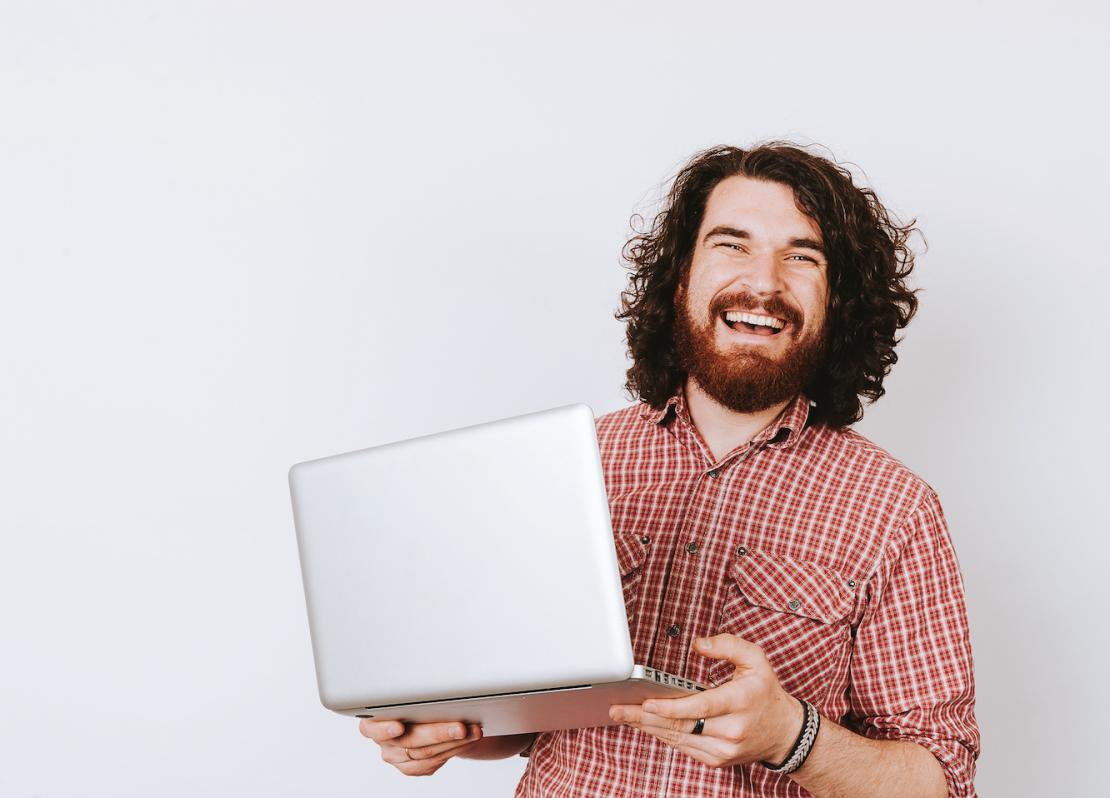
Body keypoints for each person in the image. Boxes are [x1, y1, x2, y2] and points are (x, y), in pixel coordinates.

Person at [358, 141, 981, 797]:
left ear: (839, 301)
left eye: (802, 256)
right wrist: (450, 730)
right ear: (681, 275)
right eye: (732, 245)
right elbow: (528, 719)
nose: (765, 282)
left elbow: (943, 780)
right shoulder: (574, 464)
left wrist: (791, 737)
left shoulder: (895, 508)